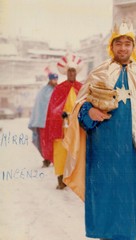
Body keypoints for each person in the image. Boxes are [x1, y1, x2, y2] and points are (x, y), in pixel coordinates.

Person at [62, 21, 136, 240]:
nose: (123, 48)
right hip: (102, 155)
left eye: (127, 43)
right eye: (119, 43)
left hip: (134, 157)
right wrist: (89, 112)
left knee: (130, 210)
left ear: (133, 47)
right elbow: (79, 106)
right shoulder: (99, 73)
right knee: (105, 208)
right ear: (111, 46)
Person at [43, 54, 83, 189]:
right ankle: (61, 178)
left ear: (76, 72)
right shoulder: (59, 89)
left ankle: (75, 178)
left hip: (77, 126)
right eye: (69, 71)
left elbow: (86, 105)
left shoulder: (81, 88)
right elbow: (53, 108)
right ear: (66, 73)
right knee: (61, 152)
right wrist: (61, 114)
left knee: (77, 152)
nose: (71, 73)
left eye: (73, 71)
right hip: (62, 126)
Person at [28, 72, 58, 167]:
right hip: (44, 121)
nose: (55, 81)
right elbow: (39, 106)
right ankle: (46, 159)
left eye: (56, 79)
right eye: (54, 79)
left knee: (55, 141)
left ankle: (55, 158)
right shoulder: (43, 91)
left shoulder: (58, 89)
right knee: (44, 142)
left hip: (55, 121)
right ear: (50, 79)